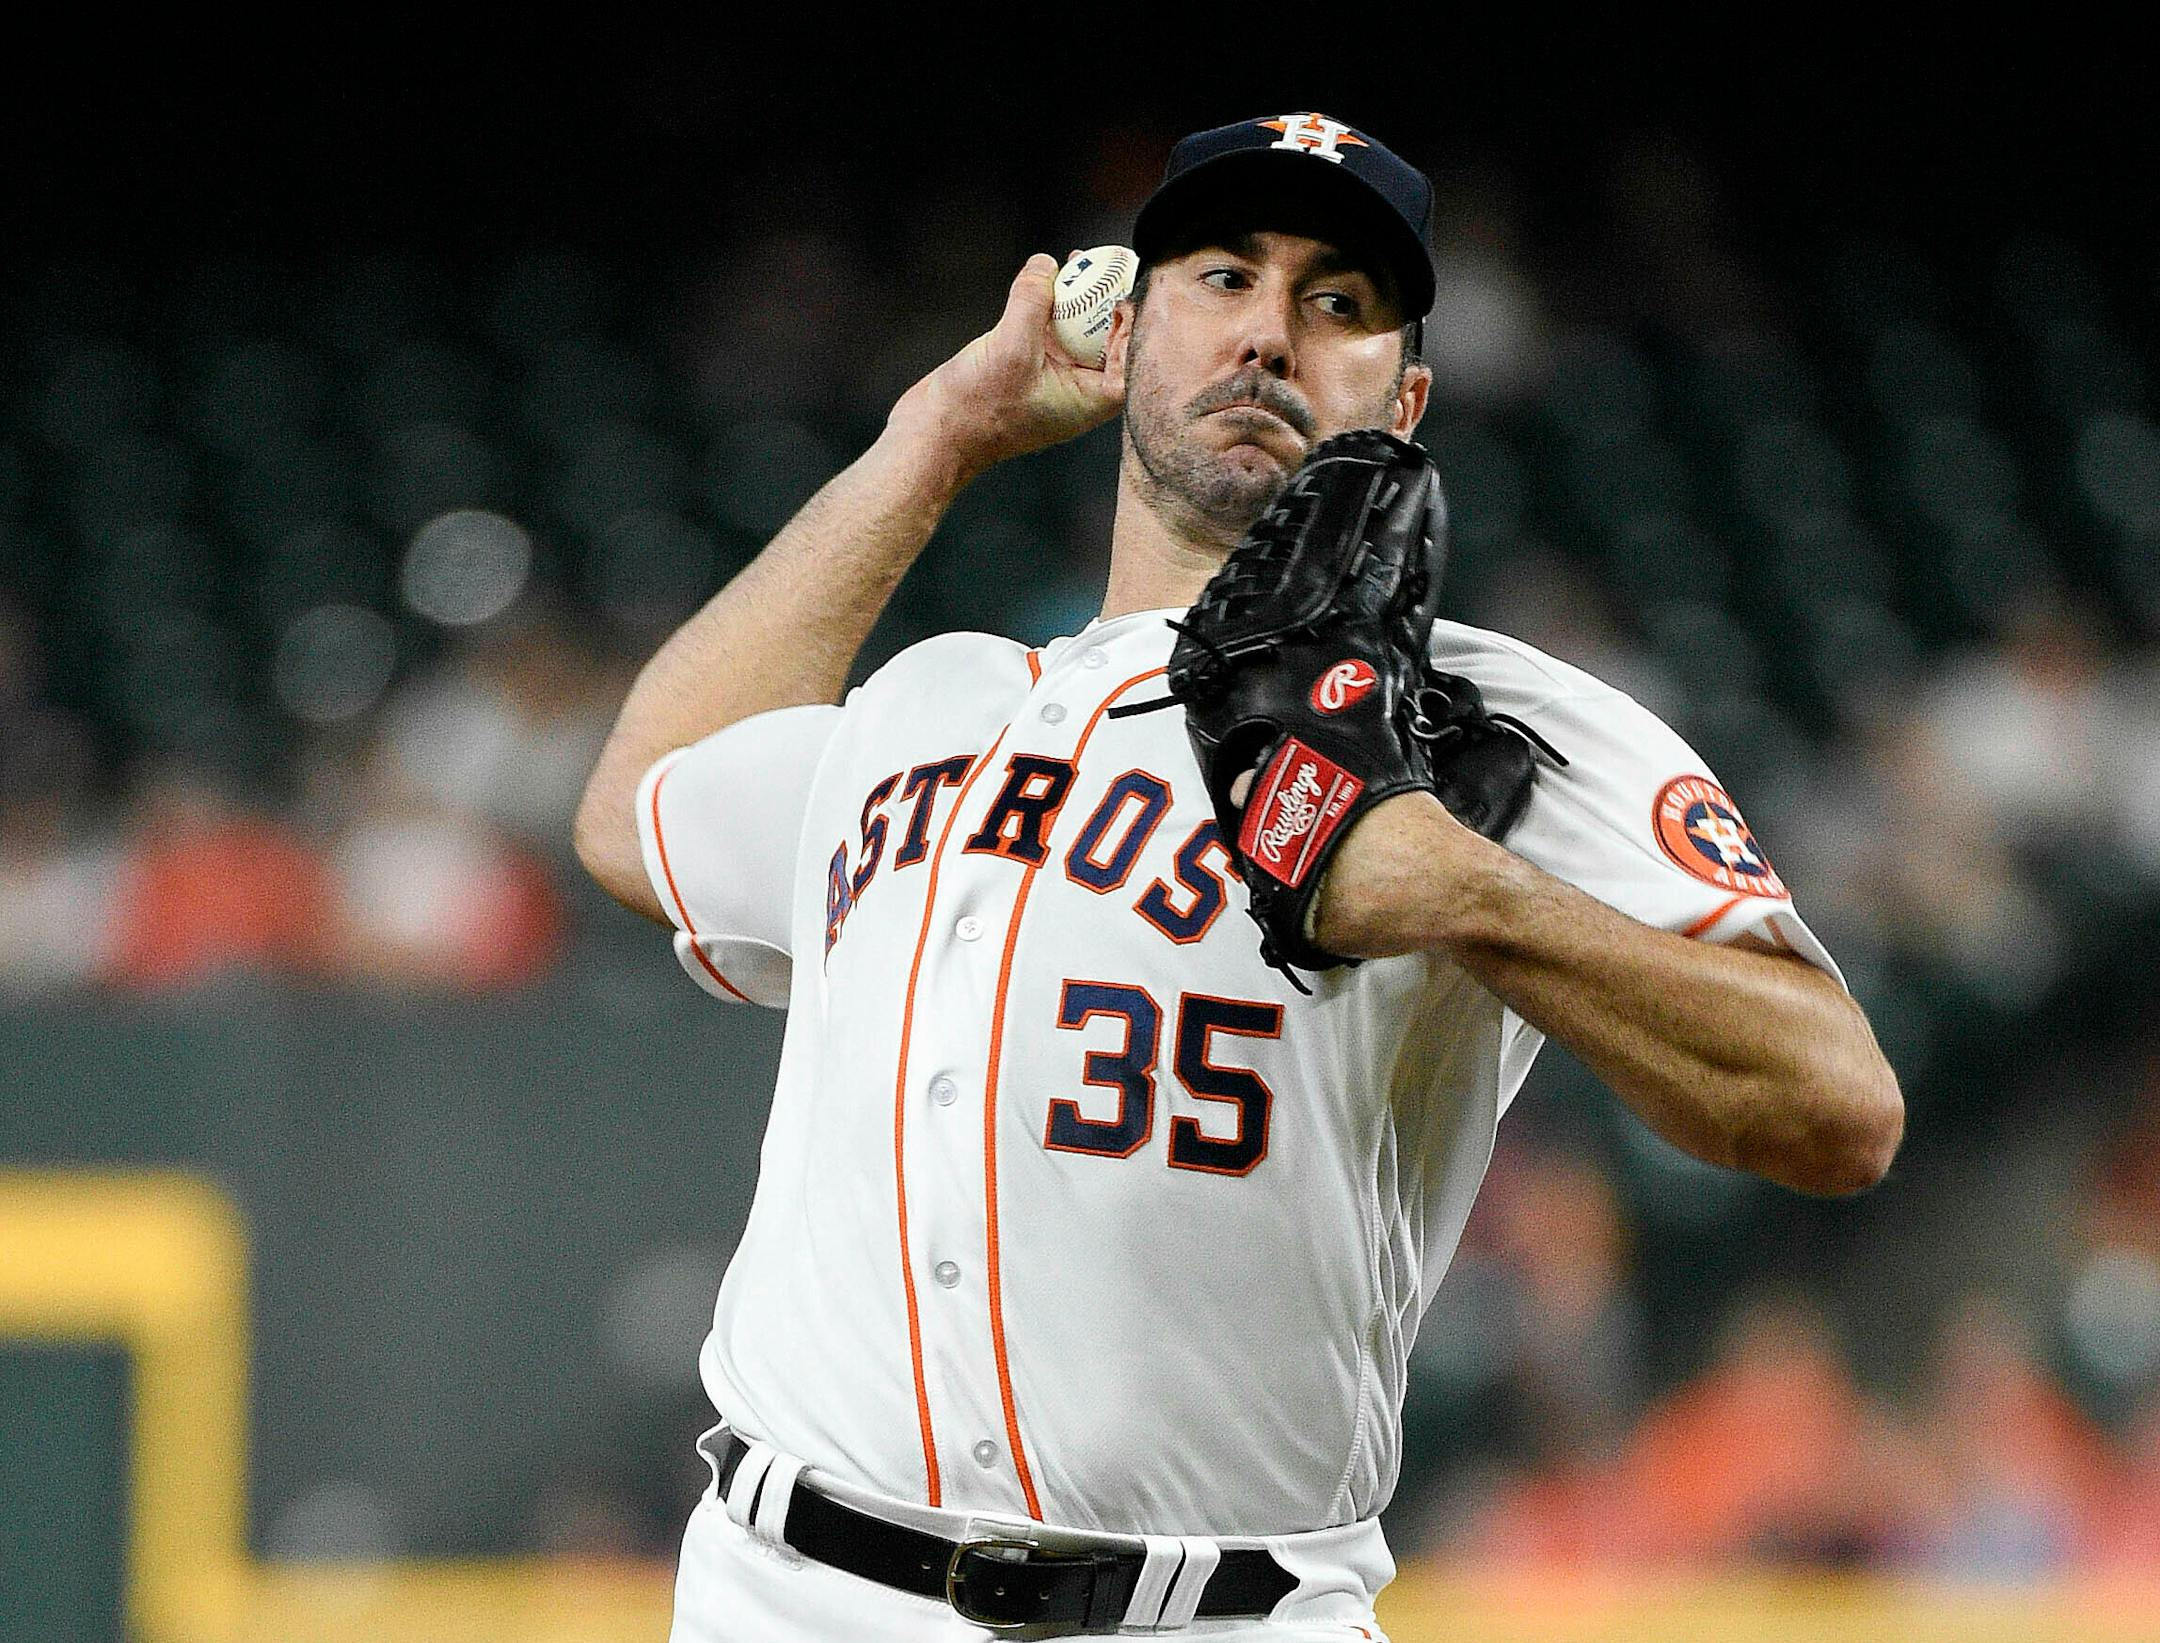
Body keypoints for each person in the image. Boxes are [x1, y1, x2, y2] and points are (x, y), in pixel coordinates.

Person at [575, 112, 1903, 1642]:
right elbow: (631, 817)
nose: (1271, 333)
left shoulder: (1469, 721)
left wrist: (1474, 896)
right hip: (782, 1591)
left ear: (1402, 401)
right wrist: (934, 434)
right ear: (1126, 329)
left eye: (1338, 303)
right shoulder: (928, 701)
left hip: (1214, 1613)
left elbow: (1837, 1104)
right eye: (1223, 276)